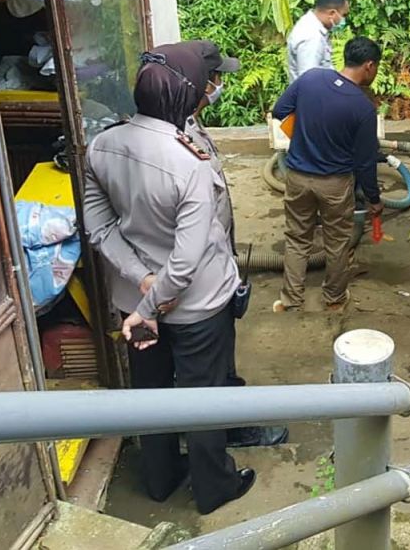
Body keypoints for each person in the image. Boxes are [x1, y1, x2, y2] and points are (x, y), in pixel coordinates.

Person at [83, 42, 256, 515]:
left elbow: (99, 226)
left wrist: (141, 281)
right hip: (196, 306)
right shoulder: (188, 162)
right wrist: (153, 304)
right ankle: (214, 487)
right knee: (203, 398)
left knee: (152, 392)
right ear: (187, 95)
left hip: (134, 301)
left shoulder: (102, 145)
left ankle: (159, 479)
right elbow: (186, 259)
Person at [184, 40, 289, 450]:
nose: (218, 86)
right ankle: (224, 434)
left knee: (215, 359)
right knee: (210, 366)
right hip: (198, 282)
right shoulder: (174, 141)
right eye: (214, 78)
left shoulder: (189, 125)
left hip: (212, 271)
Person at [270, 37, 383, 313]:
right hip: (335, 183)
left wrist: (305, 132)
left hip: (297, 176)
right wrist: (374, 199)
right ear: (369, 66)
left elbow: (279, 110)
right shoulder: (363, 108)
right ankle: (334, 299)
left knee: (297, 239)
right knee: (337, 243)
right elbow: (365, 163)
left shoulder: (311, 79)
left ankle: (290, 300)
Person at [287, 0, 351, 83]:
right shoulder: (312, 37)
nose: (343, 20)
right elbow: (309, 82)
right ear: (332, 13)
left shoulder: (311, 25)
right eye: (344, 15)